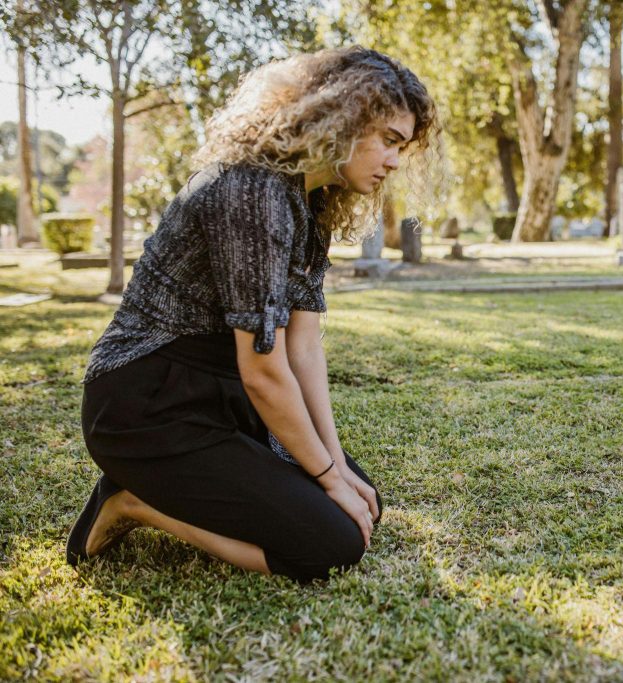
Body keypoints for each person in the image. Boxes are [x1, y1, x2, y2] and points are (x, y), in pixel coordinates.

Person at [66, 46, 439, 582]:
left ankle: (155, 487)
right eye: (388, 141)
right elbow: (263, 370)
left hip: (222, 399)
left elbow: (303, 347)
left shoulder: (312, 202)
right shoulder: (251, 191)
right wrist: (329, 478)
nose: (395, 162)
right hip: (147, 405)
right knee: (331, 545)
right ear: (341, 119)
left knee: (362, 502)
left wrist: (335, 464)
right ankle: (134, 502)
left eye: (402, 147)